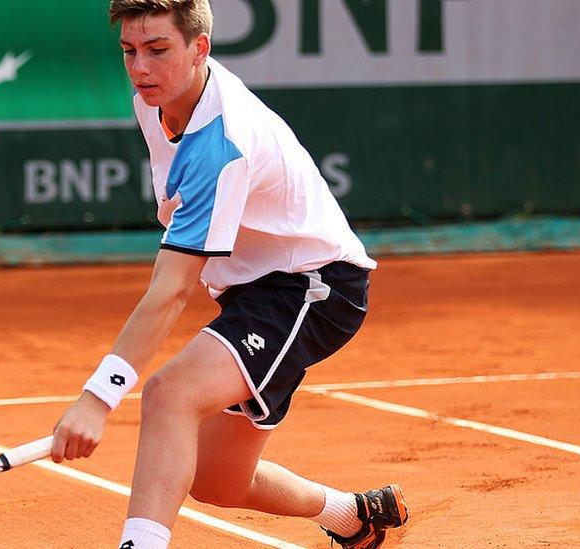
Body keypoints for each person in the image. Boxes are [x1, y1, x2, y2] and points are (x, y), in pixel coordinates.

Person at [50, 1, 408, 547]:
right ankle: (353, 515)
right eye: (130, 52)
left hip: (312, 287)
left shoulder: (224, 144)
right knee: (218, 480)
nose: (141, 68)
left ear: (201, 48)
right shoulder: (157, 101)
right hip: (253, 290)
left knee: (169, 394)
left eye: (158, 50)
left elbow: (171, 290)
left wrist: (98, 400)